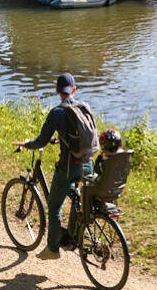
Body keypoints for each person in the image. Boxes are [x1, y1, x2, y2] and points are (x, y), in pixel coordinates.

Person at [13, 73, 98, 260]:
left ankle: (52, 249)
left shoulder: (57, 112)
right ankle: (74, 236)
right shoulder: (85, 107)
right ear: (74, 90)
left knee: (54, 205)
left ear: (57, 91)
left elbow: (41, 140)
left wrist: (26, 144)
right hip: (88, 164)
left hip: (69, 167)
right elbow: (82, 136)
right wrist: (62, 139)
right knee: (76, 198)